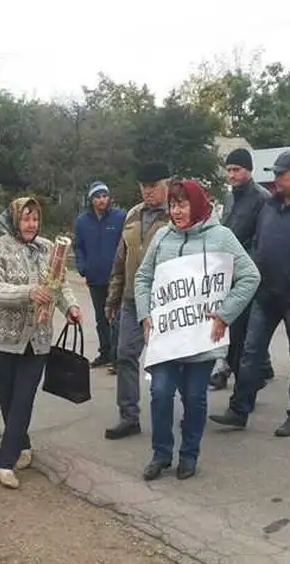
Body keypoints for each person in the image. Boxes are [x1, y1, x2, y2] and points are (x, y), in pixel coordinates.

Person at [135, 179, 260, 480]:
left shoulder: (221, 237)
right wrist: (145, 315)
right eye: (173, 205)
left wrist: (225, 314)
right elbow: (143, 277)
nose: (176, 211)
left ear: (197, 203)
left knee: (194, 398)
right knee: (160, 392)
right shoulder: (162, 238)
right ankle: (161, 453)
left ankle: (189, 454)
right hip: (166, 336)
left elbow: (250, 277)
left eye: (183, 204)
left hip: (201, 337)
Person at [209, 149, 290, 437]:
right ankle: (239, 409)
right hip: (265, 293)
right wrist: (254, 270)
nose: (276, 179)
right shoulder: (270, 206)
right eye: (275, 174)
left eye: (282, 174)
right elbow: (258, 241)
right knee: (249, 353)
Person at [0, 196, 82, 489]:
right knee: (7, 398)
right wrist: (29, 292)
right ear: (14, 219)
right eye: (25, 218)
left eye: (35, 219)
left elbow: (59, 284)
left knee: (23, 399)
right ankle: (22, 445)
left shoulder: (49, 249)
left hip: (37, 338)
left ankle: (4, 462)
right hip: (2, 338)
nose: (31, 224)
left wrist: (71, 307)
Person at [104, 161, 172, 441]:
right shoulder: (133, 215)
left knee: (168, 362)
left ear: (167, 184)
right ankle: (129, 416)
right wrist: (113, 299)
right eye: (144, 187)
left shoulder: (177, 215)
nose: (148, 192)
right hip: (132, 300)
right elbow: (120, 260)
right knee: (125, 357)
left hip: (166, 302)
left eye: (154, 186)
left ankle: (171, 415)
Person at [210, 148, 275, 392]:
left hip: (249, 274)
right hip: (227, 271)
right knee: (234, 331)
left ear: (248, 170)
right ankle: (250, 375)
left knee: (243, 334)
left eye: (236, 170)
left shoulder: (262, 198)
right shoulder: (229, 197)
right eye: (228, 170)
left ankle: (249, 383)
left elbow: (263, 239)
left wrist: (250, 269)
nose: (232, 175)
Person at [73, 181, 127, 369]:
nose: (101, 200)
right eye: (97, 196)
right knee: (101, 318)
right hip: (95, 277)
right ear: (91, 199)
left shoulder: (120, 217)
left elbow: (126, 243)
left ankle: (117, 357)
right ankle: (105, 353)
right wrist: (83, 266)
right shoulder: (82, 221)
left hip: (116, 278)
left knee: (116, 317)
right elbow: (78, 246)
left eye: (104, 196)